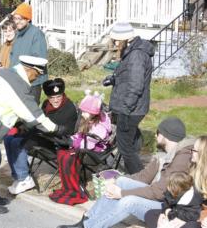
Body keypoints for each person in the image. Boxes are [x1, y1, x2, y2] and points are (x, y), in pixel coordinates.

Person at [0, 55, 69, 214]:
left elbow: (6, 104)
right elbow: (34, 116)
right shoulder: (18, 85)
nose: (35, 79)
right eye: (36, 75)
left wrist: (17, 123)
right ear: (29, 70)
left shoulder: (5, 73)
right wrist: (56, 129)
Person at [57, 117, 193, 228]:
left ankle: (90, 227)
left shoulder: (181, 159)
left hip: (166, 206)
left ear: (164, 135)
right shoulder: (165, 153)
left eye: (158, 132)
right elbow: (144, 177)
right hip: (157, 195)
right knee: (120, 182)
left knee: (127, 201)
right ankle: (87, 221)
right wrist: (116, 181)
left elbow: (159, 192)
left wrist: (121, 193)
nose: (156, 135)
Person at [5, 78, 78, 195]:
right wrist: (23, 126)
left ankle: (24, 179)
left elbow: (56, 129)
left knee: (17, 144)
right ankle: (17, 176)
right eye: (52, 97)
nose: (55, 100)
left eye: (58, 96)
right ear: (48, 97)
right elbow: (39, 120)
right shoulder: (46, 104)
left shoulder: (68, 108)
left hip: (56, 142)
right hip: (42, 135)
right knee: (8, 139)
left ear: (63, 94)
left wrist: (31, 128)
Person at [107, 22, 154, 174]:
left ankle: (139, 180)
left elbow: (136, 86)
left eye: (116, 40)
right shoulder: (131, 51)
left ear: (125, 38)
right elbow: (129, 76)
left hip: (131, 109)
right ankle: (133, 174)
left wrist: (126, 109)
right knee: (129, 143)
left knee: (125, 147)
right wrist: (113, 79)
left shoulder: (136, 55)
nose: (114, 43)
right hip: (132, 107)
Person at [49, 94, 112, 205]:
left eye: (85, 112)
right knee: (62, 152)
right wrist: (71, 139)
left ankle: (73, 188)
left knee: (66, 156)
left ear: (95, 113)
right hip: (85, 146)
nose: (82, 114)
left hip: (92, 153)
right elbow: (81, 135)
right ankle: (68, 185)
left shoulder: (100, 128)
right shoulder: (92, 119)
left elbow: (88, 144)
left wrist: (71, 142)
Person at [145, 136, 207, 228]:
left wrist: (186, 219)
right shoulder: (191, 170)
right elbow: (172, 196)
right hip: (180, 212)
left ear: (203, 154)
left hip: (195, 218)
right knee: (150, 215)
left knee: (190, 226)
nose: (191, 152)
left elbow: (197, 210)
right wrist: (166, 212)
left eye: (194, 150)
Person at [9, 3, 48, 104]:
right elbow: (14, 56)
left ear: (28, 19)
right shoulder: (18, 34)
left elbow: (39, 60)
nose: (17, 22)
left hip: (32, 83)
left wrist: (24, 76)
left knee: (30, 114)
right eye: (15, 18)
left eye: (20, 19)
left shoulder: (36, 34)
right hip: (17, 81)